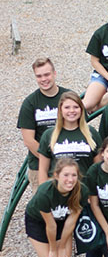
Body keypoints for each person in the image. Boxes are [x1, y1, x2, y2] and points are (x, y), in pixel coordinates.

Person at [38, 91, 103, 257]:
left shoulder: (90, 133)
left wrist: (96, 193)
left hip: (85, 194)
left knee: (91, 235)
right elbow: (43, 170)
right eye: (67, 107)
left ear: (81, 110)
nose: (72, 111)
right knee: (64, 238)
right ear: (60, 110)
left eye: (75, 107)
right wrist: (44, 194)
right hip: (60, 197)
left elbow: (97, 166)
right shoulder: (50, 135)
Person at [17, 57, 71, 193]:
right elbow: (29, 141)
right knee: (44, 208)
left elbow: (81, 129)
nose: (43, 79)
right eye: (39, 76)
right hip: (40, 165)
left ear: (54, 73)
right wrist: (51, 160)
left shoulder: (69, 97)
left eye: (46, 74)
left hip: (69, 162)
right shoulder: (30, 103)